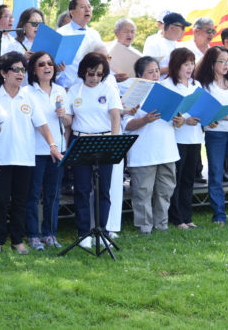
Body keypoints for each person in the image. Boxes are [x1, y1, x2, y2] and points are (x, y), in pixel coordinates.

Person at [0, 51, 61, 255]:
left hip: (25, 158)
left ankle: (18, 240)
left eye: (22, 69)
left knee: (20, 201)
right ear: (3, 73)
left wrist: (52, 145)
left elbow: (42, 125)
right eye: (15, 69)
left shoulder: (29, 96)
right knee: (1, 201)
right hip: (1, 158)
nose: (20, 74)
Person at [65, 52, 122, 247]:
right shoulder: (74, 90)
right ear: (83, 71)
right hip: (80, 140)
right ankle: (83, 233)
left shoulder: (109, 89)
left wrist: (114, 142)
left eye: (99, 74)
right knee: (82, 188)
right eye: (91, 74)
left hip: (104, 140)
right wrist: (61, 116)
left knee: (103, 189)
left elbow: (115, 116)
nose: (95, 78)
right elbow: (68, 120)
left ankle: (102, 230)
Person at [124, 56, 181, 234]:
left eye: (157, 71)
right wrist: (145, 120)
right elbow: (126, 125)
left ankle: (161, 223)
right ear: (139, 74)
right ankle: (144, 226)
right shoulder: (132, 94)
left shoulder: (168, 92)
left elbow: (176, 120)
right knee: (143, 191)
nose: (156, 75)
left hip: (167, 149)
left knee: (165, 189)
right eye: (150, 72)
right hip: (143, 151)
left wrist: (179, 120)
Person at [194, 46, 228, 226]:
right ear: (211, 63)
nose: (226, 65)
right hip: (215, 133)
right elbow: (203, 110)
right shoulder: (203, 84)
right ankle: (219, 215)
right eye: (222, 61)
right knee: (216, 173)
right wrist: (227, 117)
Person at [25, 51, 69, 250]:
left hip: (58, 150)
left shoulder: (60, 90)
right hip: (35, 150)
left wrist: (64, 115)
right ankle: (33, 235)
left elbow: (68, 122)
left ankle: (50, 233)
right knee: (33, 195)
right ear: (34, 70)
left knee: (53, 194)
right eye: (41, 64)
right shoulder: (27, 92)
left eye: (50, 63)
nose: (47, 67)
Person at [163, 48, 204, 230]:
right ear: (176, 65)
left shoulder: (197, 85)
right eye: (185, 64)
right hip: (176, 138)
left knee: (189, 179)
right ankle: (177, 218)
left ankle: (188, 217)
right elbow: (166, 113)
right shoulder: (167, 86)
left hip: (195, 138)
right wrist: (184, 120)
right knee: (176, 180)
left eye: (192, 64)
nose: (190, 68)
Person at [56, 0, 103, 88]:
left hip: (91, 87)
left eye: (89, 6)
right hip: (67, 87)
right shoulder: (61, 33)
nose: (87, 10)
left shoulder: (95, 34)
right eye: (82, 7)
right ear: (72, 12)